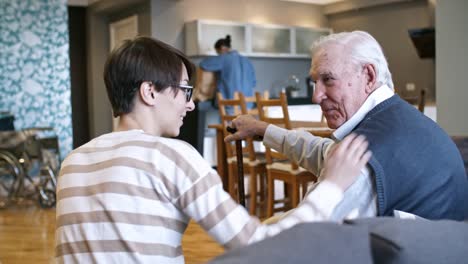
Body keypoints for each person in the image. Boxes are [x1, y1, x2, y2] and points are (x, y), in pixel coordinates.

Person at [54, 36, 372, 263]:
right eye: (184, 91)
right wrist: (332, 186)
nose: (191, 104)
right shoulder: (172, 156)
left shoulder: (72, 162)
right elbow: (258, 247)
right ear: (149, 92)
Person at [225, 30, 468, 221]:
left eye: (328, 79)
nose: (316, 95)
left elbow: (304, 237)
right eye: (315, 82)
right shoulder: (394, 120)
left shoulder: (367, 160)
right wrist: (263, 129)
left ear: (369, 77)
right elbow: (325, 153)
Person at [199, 35, 256, 103]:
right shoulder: (247, 61)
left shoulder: (224, 58)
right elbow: (253, 83)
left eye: (218, 53)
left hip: (230, 102)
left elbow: (204, 64)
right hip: (248, 103)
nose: (218, 55)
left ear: (222, 49)